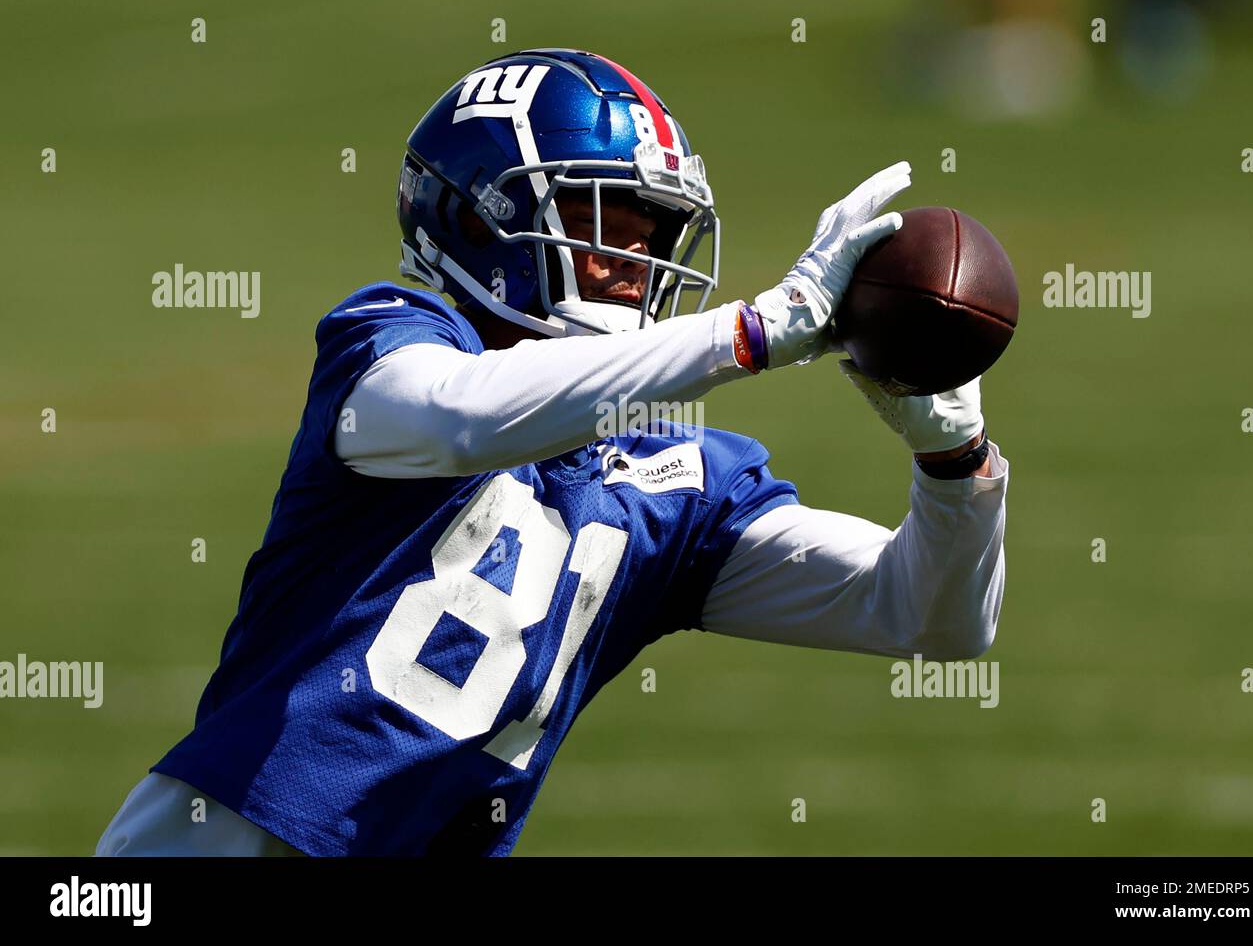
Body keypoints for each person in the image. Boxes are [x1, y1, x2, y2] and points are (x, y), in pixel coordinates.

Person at [97, 47, 1008, 857]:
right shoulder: (395, 340)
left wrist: (953, 461)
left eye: (652, 230)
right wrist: (752, 334)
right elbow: (459, 419)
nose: (636, 259)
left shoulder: (679, 483)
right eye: (601, 218)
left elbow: (929, 620)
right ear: (481, 217)